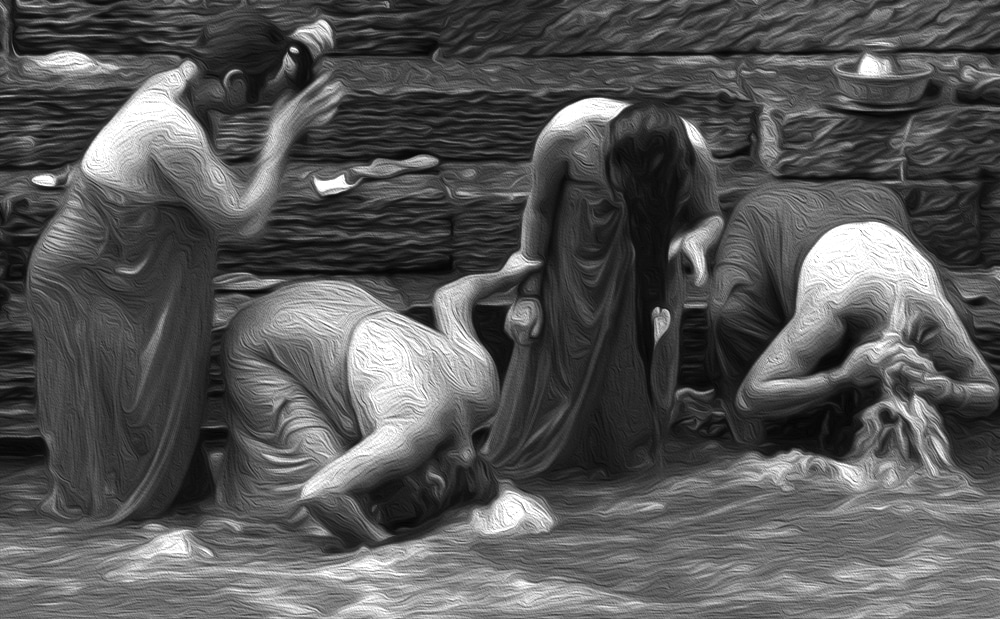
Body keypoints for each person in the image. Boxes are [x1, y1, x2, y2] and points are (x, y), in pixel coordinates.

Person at [25, 10, 342, 523]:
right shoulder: (169, 125)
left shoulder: (184, 82)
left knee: (142, 415)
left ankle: (155, 509)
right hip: (86, 277)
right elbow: (241, 221)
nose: (261, 103)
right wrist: (282, 132)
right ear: (235, 82)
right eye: (258, 92)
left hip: (117, 266)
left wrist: (304, 48)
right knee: (122, 423)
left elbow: (264, 69)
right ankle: (115, 539)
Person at [216, 254, 541, 550]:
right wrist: (386, 548)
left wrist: (509, 272)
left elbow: (452, 297)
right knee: (304, 513)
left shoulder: (483, 390)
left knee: (343, 487)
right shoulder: (410, 435)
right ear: (435, 482)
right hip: (261, 343)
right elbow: (318, 494)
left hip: (337, 302)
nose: (378, 504)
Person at [483, 97, 724, 479]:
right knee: (560, 364)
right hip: (575, 272)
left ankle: (622, 464)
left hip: (650, 269)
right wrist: (528, 295)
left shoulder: (692, 151)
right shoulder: (567, 135)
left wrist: (696, 241)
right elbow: (540, 208)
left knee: (640, 366)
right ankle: (556, 461)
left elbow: (709, 215)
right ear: (608, 153)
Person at [709, 181, 999, 454]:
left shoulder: (933, 316)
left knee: (961, 314)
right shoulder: (832, 310)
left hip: (876, 208)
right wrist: (841, 375)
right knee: (732, 320)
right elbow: (749, 397)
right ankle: (750, 444)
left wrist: (945, 389)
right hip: (771, 216)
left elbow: (988, 390)